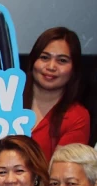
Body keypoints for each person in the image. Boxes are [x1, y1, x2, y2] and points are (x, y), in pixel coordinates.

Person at [23, 27, 89, 159]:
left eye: (62, 60)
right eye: (44, 57)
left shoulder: (77, 117)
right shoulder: (4, 99)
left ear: (73, 69)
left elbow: (61, 174)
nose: (51, 67)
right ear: (33, 61)